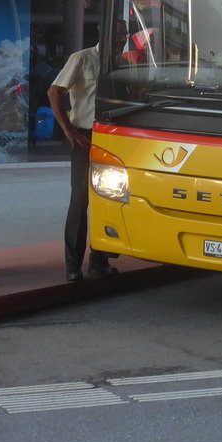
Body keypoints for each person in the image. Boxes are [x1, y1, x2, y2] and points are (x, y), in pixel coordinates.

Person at [48, 18, 128, 282]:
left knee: (109, 199)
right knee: (80, 199)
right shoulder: (82, 58)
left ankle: (99, 261)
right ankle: (73, 265)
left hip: (113, 141)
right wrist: (69, 131)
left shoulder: (125, 65)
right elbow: (54, 92)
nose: (121, 39)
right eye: (117, 35)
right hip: (84, 137)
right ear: (103, 34)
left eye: (124, 35)